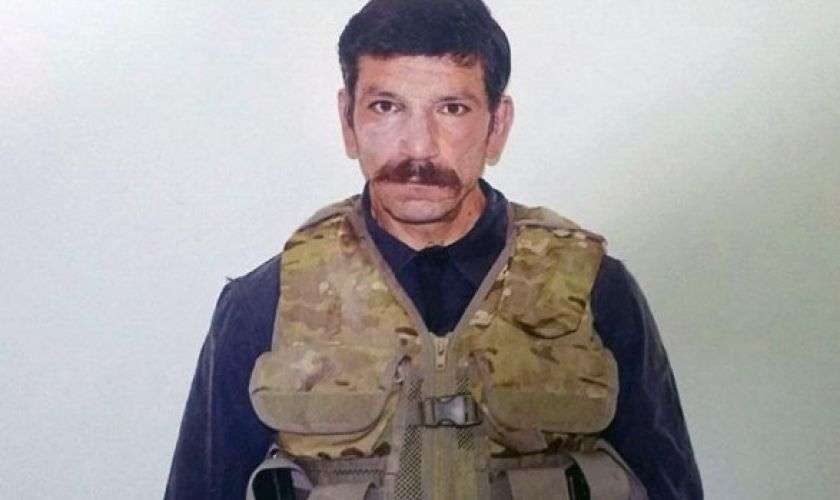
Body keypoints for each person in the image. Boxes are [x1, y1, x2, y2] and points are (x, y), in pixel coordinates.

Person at [165, 0, 703, 498]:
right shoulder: (266, 303)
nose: (419, 147)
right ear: (348, 120)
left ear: (497, 125)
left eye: (452, 108)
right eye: (386, 107)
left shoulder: (593, 291)